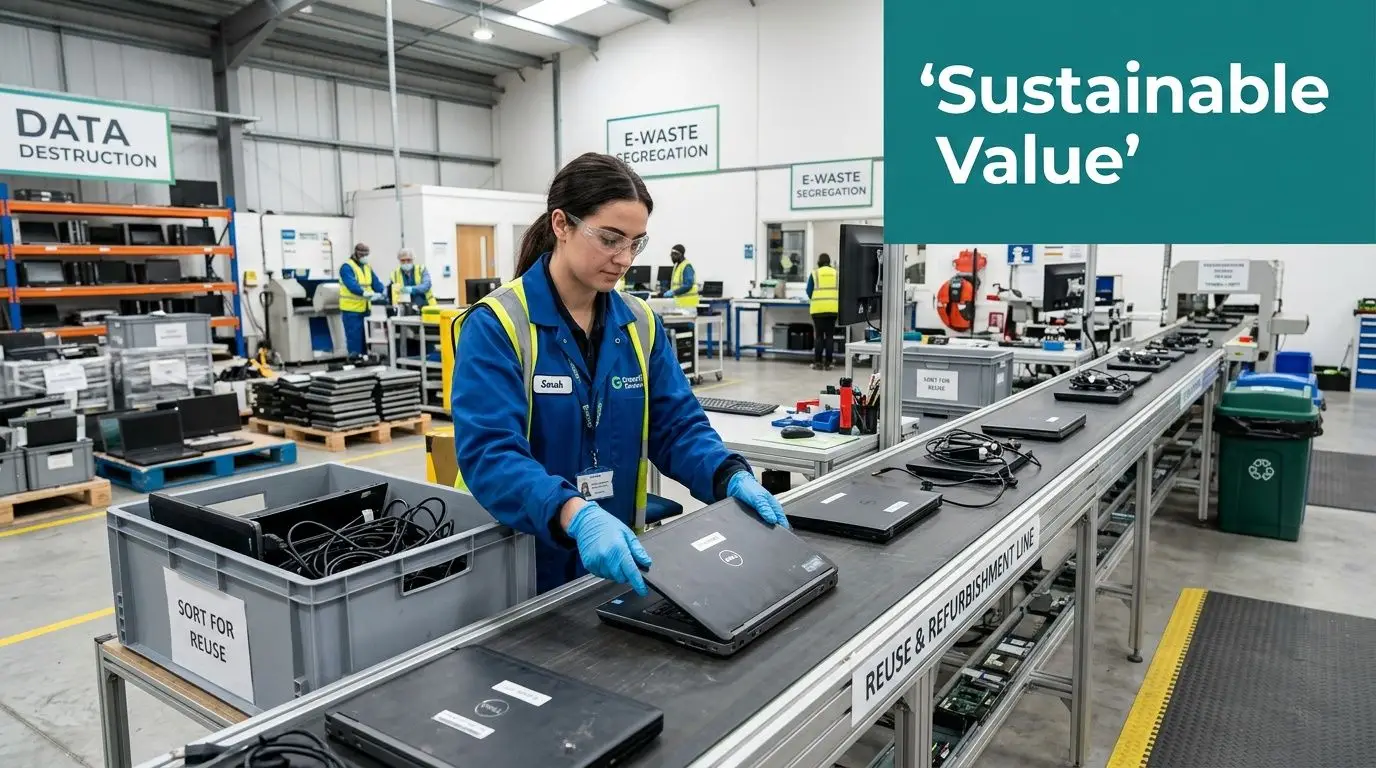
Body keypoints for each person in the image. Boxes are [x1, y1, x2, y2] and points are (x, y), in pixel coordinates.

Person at [449, 152, 788, 596]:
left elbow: (677, 426)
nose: (624, 257)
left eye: (636, 242)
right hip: (518, 563)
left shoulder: (639, 324)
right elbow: (490, 454)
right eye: (610, 238)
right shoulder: (498, 325)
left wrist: (727, 475)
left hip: (616, 560)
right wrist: (575, 512)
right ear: (561, 225)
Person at [339, 243, 385, 355]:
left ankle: (364, 359)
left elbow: (376, 283)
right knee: (354, 339)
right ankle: (355, 361)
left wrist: (383, 292)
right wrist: (365, 293)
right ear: (356, 254)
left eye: (366, 255)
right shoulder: (347, 267)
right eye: (362, 255)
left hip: (365, 309)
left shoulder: (367, 267)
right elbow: (352, 285)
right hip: (351, 310)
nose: (364, 257)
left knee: (365, 339)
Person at [806, 253, 839, 370]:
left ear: (819, 262)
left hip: (818, 309)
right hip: (833, 309)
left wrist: (815, 299)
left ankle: (817, 362)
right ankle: (829, 363)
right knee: (830, 336)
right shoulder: (836, 273)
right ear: (829, 262)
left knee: (819, 336)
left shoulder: (815, 273)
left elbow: (808, 290)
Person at [662, 244, 698, 308]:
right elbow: (676, 284)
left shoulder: (687, 267)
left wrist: (673, 292)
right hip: (680, 304)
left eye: (673, 254)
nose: (671, 256)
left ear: (679, 254)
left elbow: (688, 285)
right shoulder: (677, 266)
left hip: (688, 305)